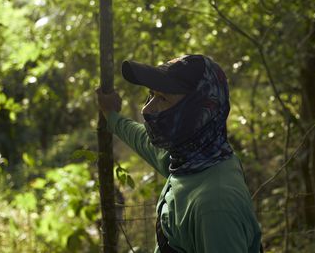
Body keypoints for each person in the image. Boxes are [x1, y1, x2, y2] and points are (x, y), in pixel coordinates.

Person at [96, 54, 262, 253]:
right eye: (152, 94)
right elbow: (145, 142)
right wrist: (111, 116)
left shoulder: (215, 206)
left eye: (163, 98)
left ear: (200, 112)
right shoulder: (193, 159)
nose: (147, 110)